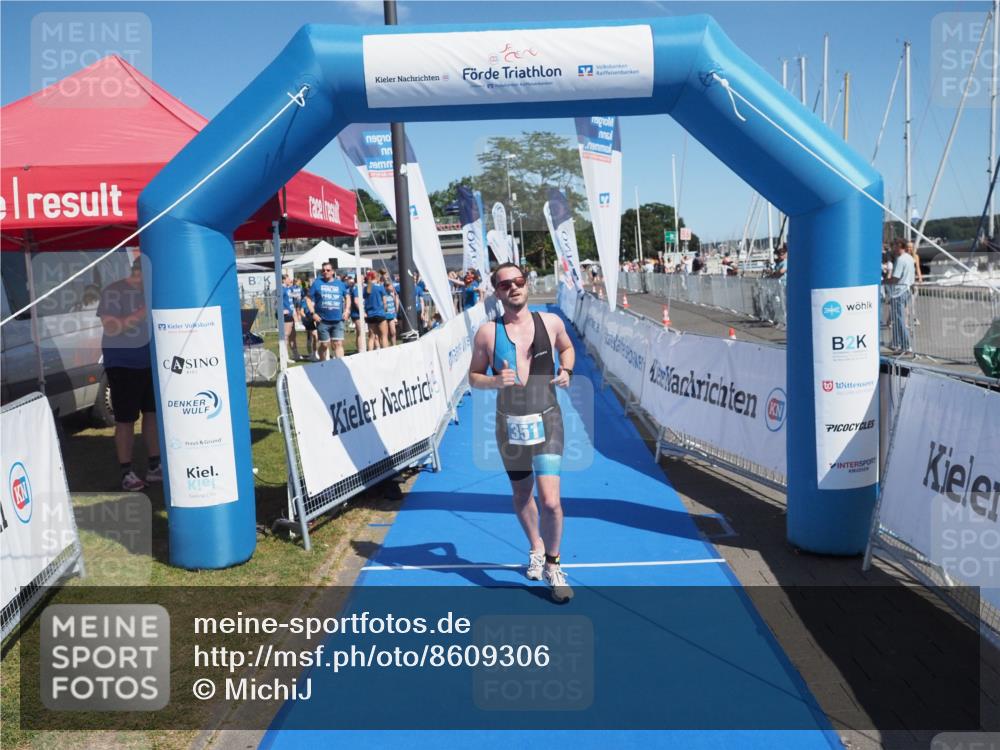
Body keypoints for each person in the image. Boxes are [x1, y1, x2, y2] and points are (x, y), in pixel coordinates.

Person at [468, 262, 576, 602]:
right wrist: (495, 381)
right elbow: (473, 377)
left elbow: (567, 348)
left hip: (548, 420)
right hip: (510, 425)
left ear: (526, 284)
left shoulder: (551, 322)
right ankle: (535, 546)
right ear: (496, 292)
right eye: (505, 285)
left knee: (551, 501)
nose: (513, 288)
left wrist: (568, 370)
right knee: (521, 496)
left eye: (518, 281)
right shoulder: (488, 332)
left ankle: (554, 564)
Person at [97, 256, 160, 492]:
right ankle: (127, 472)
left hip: (150, 363)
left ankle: (155, 466)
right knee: (125, 419)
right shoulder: (114, 291)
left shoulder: (152, 290)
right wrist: (143, 311)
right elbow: (111, 326)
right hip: (123, 364)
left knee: (151, 413)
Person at [305, 263, 349, 360]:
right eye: (323, 270)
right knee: (324, 344)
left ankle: (339, 365)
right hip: (322, 320)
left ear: (333, 272)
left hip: (338, 319)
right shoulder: (317, 283)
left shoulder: (340, 284)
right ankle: (323, 364)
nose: (325, 272)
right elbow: (308, 298)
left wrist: (346, 311)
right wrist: (313, 313)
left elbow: (347, 296)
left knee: (338, 343)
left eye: (328, 270)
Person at [885, 239, 916, 356]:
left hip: (899, 291)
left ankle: (906, 346)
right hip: (907, 290)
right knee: (899, 320)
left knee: (899, 320)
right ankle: (899, 344)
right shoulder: (909, 257)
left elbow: (895, 278)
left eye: (894, 247)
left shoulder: (900, 260)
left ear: (899, 247)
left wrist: (883, 282)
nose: (892, 249)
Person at [363, 271, 389, 349]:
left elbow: (364, 299)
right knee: (383, 336)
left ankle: (370, 354)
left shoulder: (366, 288)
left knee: (371, 337)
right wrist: (385, 310)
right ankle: (385, 353)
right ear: (377, 277)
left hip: (370, 314)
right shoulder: (380, 287)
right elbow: (385, 301)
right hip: (380, 313)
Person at [280, 272, 302, 361]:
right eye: (288, 279)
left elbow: (290, 296)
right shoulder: (281, 289)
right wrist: (281, 310)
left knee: (293, 335)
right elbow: (276, 301)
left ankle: (295, 354)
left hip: (291, 314)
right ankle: (285, 356)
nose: (290, 280)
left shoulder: (288, 289)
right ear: (284, 280)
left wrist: (296, 296)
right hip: (286, 315)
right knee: (286, 335)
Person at [300, 275, 319, 360]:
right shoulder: (304, 300)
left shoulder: (315, 298)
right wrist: (306, 319)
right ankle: (311, 354)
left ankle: (315, 353)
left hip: (315, 318)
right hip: (308, 319)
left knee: (316, 336)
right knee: (311, 336)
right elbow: (301, 311)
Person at [383, 277, 399, 346]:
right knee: (386, 333)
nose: (392, 287)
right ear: (386, 287)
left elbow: (396, 304)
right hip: (385, 315)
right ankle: (387, 346)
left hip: (392, 315)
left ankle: (394, 345)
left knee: (393, 332)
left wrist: (395, 296)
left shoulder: (393, 294)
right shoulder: (383, 294)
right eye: (391, 286)